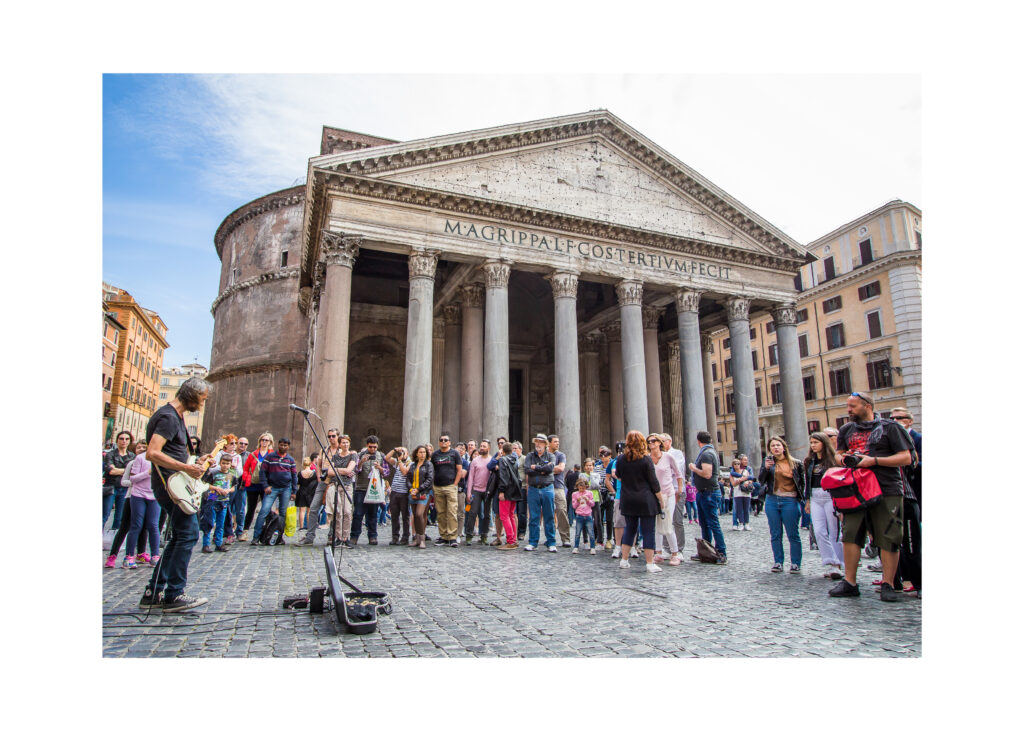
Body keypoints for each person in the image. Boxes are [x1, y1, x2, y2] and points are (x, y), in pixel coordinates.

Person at [828, 391, 914, 602]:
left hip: (886, 488)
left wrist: (872, 461)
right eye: (848, 406)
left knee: (888, 536)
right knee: (850, 534)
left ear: (867, 406)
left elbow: (907, 457)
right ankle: (850, 582)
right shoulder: (847, 429)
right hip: (854, 489)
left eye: (853, 406)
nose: (848, 410)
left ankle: (889, 583)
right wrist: (843, 459)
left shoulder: (890, 427)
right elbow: (838, 454)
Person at [139, 376, 212, 612]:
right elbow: (152, 452)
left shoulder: (176, 418)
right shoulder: (168, 417)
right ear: (191, 395)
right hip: (170, 486)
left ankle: (154, 590)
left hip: (175, 483)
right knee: (189, 534)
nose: (202, 405)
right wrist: (186, 468)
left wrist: (194, 462)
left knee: (181, 536)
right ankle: (173, 593)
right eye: (201, 399)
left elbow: (174, 454)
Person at [615, 431, 665, 573]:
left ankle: (624, 560)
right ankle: (650, 563)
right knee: (648, 530)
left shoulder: (621, 459)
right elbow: (653, 481)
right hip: (645, 499)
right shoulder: (646, 459)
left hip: (628, 498)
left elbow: (618, 475)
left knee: (630, 529)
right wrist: (660, 499)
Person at [108, 439, 157, 568]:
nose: (141, 449)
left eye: (144, 447)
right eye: (139, 447)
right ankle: (115, 556)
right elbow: (127, 480)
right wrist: (142, 479)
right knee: (127, 526)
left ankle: (143, 553)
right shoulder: (135, 461)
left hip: (150, 496)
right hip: (132, 496)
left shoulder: (154, 459)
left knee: (148, 526)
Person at [803, 432, 844, 580]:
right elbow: (808, 482)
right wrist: (807, 500)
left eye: (816, 442)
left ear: (824, 443)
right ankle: (830, 560)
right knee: (819, 531)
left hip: (830, 495)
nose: (813, 445)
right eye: (812, 442)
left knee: (834, 531)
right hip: (815, 496)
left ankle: (838, 564)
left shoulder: (833, 460)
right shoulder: (809, 461)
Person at [311, 431, 356, 548]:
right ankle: (338, 537)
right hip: (335, 485)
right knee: (338, 512)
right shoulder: (334, 456)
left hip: (346, 486)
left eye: (347, 443)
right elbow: (329, 472)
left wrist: (337, 470)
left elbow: (348, 469)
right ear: (340, 444)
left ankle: (346, 537)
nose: (345, 445)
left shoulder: (353, 455)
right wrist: (344, 470)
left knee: (347, 511)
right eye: (343, 443)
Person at [689, 431, 727, 564]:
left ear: (699, 441)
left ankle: (721, 553)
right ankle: (706, 551)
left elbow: (707, 474)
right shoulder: (710, 452)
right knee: (705, 524)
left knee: (713, 524)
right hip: (704, 493)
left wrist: (694, 468)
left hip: (708, 493)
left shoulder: (706, 454)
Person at [648, 433, 682, 565]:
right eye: (649, 441)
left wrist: (679, 489)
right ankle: (659, 552)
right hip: (654, 494)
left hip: (668, 493)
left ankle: (675, 553)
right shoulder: (648, 458)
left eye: (653, 440)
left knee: (667, 522)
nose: (651, 443)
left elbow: (678, 474)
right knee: (656, 524)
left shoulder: (668, 457)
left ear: (659, 443)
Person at [350, 435, 388, 546]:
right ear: (367, 445)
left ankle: (372, 536)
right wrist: (361, 462)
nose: (372, 449)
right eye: (371, 447)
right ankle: (354, 536)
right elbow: (355, 471)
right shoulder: (360, 455)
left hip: (374, 489)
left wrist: (379, 468)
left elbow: (386, 472)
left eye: (375, 447)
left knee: (373, 514)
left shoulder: (381, 456)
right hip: (361, 488)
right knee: (358, 514)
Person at [524, 433, 558, 552]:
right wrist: (542, 468)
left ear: (545, 444)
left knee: (549, 516)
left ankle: (551, 542)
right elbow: (527, 469)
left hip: (547, 488)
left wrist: (536, 467)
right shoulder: (529, 456)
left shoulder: (551, 456)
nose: (538, 444)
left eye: (540, 442)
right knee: (534, 517)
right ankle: (533, 542)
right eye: (536, 442)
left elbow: (550, 469)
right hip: (533, 488)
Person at [430, 433, 464, 546]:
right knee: (441, 512)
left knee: (452, 512)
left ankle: (452, 536)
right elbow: (431, 470)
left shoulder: (455, 453)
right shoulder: (435, 455)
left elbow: (459, 470)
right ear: (439, 442)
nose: (443, 442)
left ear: (449, 442)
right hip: (438, 486)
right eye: (441, 440)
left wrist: (455, 484)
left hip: (450, 486)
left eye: (446, 440)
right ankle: (444, 536)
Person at [199, 452, 236, 553]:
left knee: (220, 524)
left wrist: (228, 491)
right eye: (223, 463)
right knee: (209, 522)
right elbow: (206, 484)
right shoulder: (214, 473)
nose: (225, 465)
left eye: (227, 463)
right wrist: (216, 488)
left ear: (230, 464)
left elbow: (233, 487)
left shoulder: (232, 475)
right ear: (220, 463)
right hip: (213, 497)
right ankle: (205, 544)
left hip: (224, 499)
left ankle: (219, 543)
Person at [240, 432, 274, 541]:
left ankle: (268, 531)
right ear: (259, 441)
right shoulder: (253, 454)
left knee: (266, 509)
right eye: (262, 440)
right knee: (251, 509)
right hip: (253, 484)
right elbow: (246, 468)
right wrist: (246, 478)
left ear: (270, 442)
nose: (264, 442)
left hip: (266, 485)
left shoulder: (272, 454)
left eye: (266, 440)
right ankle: (245, 532)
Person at [493, 442, 523, 549]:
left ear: (503, 451)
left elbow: (503, 476)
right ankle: (514, 540)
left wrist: (501, 491)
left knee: (504, 516)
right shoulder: (515, 460)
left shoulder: (502, 460)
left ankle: (510, 541)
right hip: (515, 490)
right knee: (511, 515)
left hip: (506, 491)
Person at [103, 431, 135, 528]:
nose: (124, 441)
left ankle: (113, 538)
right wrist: (127, 470)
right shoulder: (110, 455)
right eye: (121, 438)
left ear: (129, 441)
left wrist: (118, 470)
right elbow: (111, 471)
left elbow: (133, 472)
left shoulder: (132, 456)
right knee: (105, 514)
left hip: (124, 488)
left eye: (126, 439)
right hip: (111, 487)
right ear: (117, 440)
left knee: (119, 517)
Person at [465, 439, 493, 545]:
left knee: (486, 515)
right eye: (481, 446)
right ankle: (469, 535)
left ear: (488, 448)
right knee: (473, 513)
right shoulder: (475, 461)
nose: (481, 448)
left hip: (487, 491)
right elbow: (471, 477)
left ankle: (484, 535)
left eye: (484, 446)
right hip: (476, 490)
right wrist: (468, 492)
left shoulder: (491, 460)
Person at [407, 445, 435, 548]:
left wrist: (418, 489)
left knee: (420, 514)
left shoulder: (429, 465)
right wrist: (411, 489)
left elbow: (429, 479)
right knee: (415, 516)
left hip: (424, 493)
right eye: (420, 452)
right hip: (413, 493)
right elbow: (409, 479)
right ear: (416, 454)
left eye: (424, 452)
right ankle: (417, 539)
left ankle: (422, 539)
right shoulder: (413, 465)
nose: (422, 454)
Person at [547, 435, 571, 547]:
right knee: (548, 513)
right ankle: (550, 538)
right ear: (549, 443)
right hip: (546, 486)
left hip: (558, 486)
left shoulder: (561, 455)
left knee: (562, 511)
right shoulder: (544, 455)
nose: (557, 443)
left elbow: (561, 469)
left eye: (558, 442)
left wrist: (545, 469)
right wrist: (551, 469)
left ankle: (565, 538)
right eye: (555, 442)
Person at [385, 446, 411, 545]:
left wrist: (399, 461)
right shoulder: (397, 462)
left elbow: (405, 472)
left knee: (405, 516)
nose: (401, 454)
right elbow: (387, 458)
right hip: (395, 492)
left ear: (407, 454)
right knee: (394, 515)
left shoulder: (410, 463)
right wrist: (394, 450)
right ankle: (395, 536)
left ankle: (405, 537)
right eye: (400, 452)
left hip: (404, 492)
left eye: (403, 452)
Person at [230, 436, 250, 541]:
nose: (243, 445)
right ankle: (228, 531)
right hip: (230, 484)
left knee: (240, 510)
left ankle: (239, 531)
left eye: (245, 444)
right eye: (241, 443)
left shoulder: (248, 456)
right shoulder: (231, 454)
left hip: (242, 486)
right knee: (227, 507)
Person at [295, 453, 320, 535]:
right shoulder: (313, 473)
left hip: (302, 491)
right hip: (310, 492)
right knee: (309, 511)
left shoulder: (300, 473)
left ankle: (301, 526)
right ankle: (309, 526)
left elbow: (298, 483)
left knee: (301, 511)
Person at [571, 476, 596, 554]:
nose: (582, 489)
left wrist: (587, 499)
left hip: (588, 515)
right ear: (577, 487)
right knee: (577, 533)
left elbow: (593, 504)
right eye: (580, 488)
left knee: (591, 533)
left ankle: (592, 547)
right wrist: (577, 501)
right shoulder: (575, 494)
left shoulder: (589, 493)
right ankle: (576, 547)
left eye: (583, 488)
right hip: (579, 515)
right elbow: (574, 506)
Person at [729, 457, 754, 531]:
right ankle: (741, 523)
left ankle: (746, 523)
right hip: (737, 493)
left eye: (738, 464)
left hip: (746, 492)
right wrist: (739, 481)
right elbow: (733, 484)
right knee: (739, 509)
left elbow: (751, 480)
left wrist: (748, 482)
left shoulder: (745, 471)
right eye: (735, 464)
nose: (737, 465)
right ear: (733, 465)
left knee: (746, 509)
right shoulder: (732, 474)